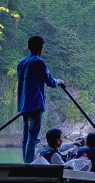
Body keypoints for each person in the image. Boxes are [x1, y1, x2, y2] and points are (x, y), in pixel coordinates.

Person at [15, 36, 63, 164]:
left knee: (26, 137)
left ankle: (26, 162)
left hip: (23, 104)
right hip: (35, 104)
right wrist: (59, 82)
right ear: (41, 48)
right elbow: (50, 81)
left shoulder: (22, 62)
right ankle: (29, 165)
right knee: (33, 137)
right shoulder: (38, 62)